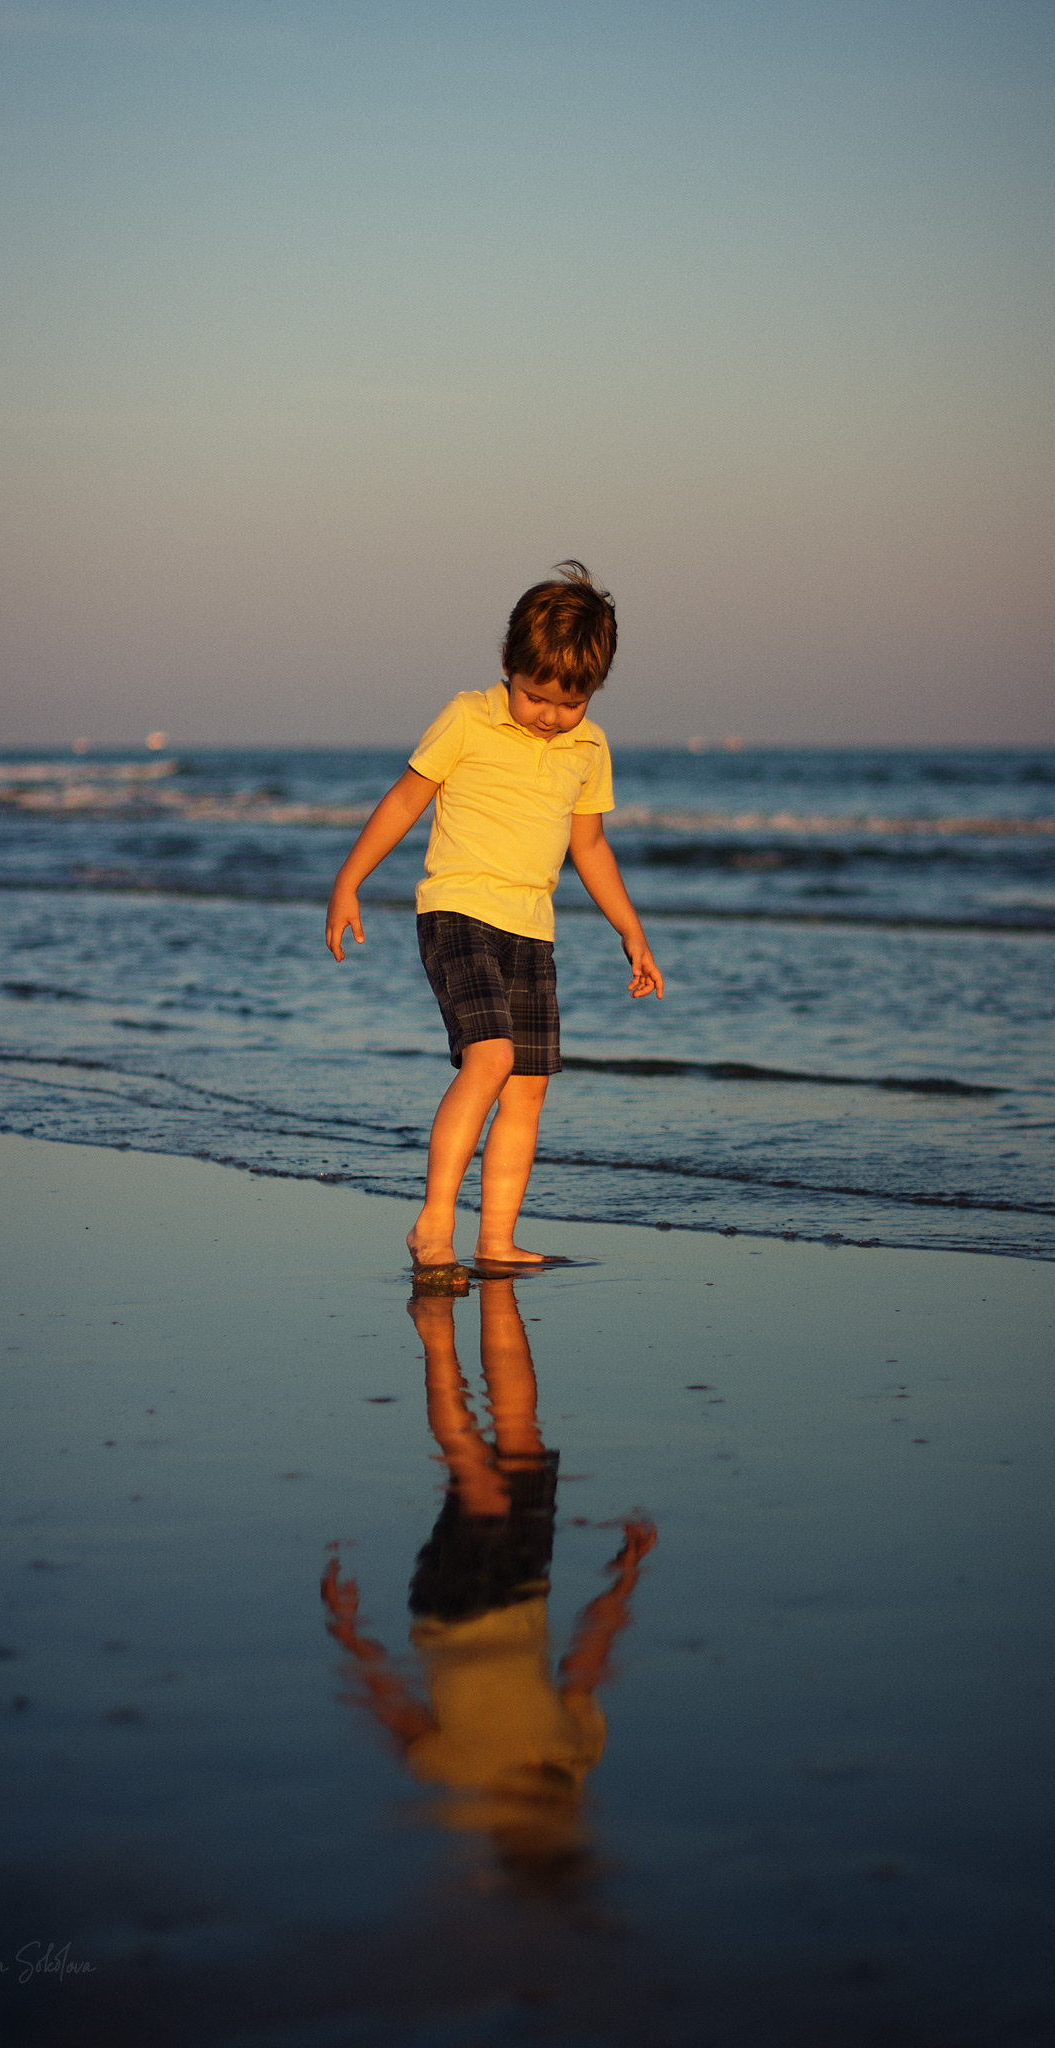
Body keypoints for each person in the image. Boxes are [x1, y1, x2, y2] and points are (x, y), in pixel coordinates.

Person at [324, 561, 663, 1270]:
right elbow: (404, 800)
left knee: (528, 1087)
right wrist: (349, 881)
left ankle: (497, 1237)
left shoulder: (588, 748)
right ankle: (433, 1225)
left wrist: (630, 931)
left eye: (568, 704)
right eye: (535, 696)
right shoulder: (467, 717)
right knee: (490, 1058)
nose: (548, 715)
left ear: (593, 692)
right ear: (507, 665)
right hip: (456, 914)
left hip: (530, 933)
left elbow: (590, 847)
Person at [321, 1274, 656, 1891]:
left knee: (475, 1475)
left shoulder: (456, 1774)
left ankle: (436, 1336)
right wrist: (625, 1581)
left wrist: (348, 1632)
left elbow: (391, 1704)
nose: (565, 1817)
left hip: (454, 1609)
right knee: (524, 1438)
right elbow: (585, 1664)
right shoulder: (577, 1756)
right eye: (571, 1829)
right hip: (528, 1583)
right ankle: (455, 1323)